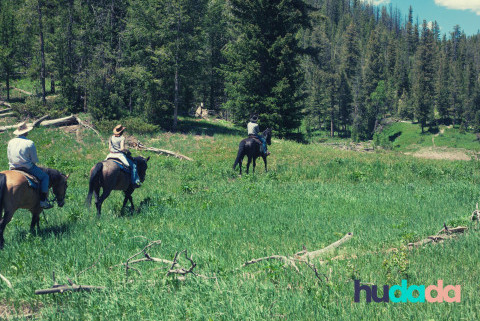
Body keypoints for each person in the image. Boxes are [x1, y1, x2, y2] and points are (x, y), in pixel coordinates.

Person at [7, 122, 53, 209]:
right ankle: (43, 201)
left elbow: (9, 156)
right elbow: (34, 160)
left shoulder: (10, 142)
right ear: (26, 132)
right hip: (27, 167)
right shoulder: (29, 143)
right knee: (45, 177)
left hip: (12, 167)